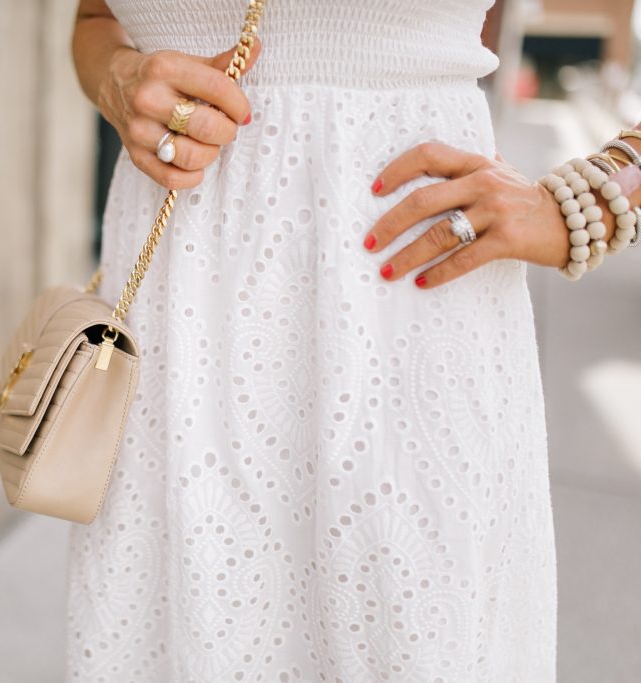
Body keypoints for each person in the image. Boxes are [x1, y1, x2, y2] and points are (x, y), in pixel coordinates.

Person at [65, 1, 639, 680]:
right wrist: (120, 78)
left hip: (406, 313)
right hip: (176, 328)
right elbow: (95, 17)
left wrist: (604, 197)